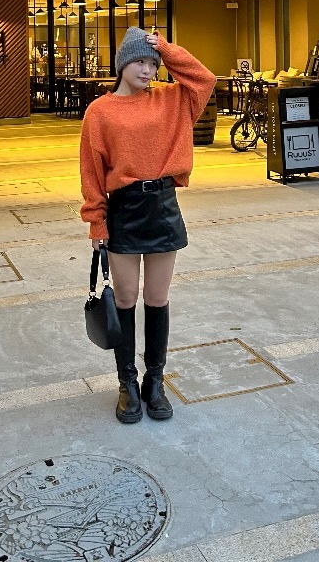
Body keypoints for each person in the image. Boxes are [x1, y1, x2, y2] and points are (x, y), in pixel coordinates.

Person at [80, 27, 216, 424]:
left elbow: (204, 79)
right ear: (122, 63)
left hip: (163, 207)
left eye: (153, 64)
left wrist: (166, 49)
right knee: (124, 298)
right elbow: (92, 170)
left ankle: (154, 382)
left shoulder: (172, 101)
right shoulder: (100, 112)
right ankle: (127, 383)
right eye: (139, 61)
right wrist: (96, 222)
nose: (147, 70)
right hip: (124, 209)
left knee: (157, 298)